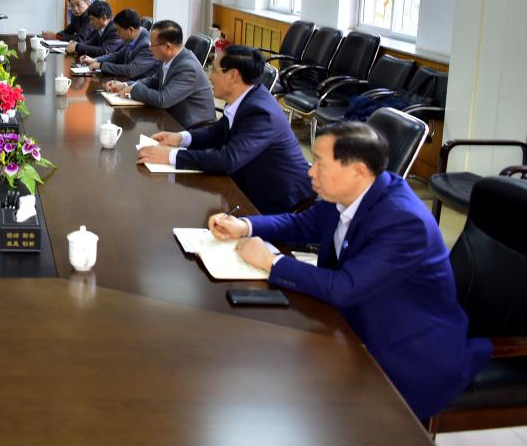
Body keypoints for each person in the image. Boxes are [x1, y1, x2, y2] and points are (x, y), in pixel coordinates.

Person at [209, 122, 492, 420]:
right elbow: (301, 223)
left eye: (320, 163)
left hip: (407, 352)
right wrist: (246, 226)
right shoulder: (351, 193)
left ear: (357, 170)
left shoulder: (404, 221)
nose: (310, 172)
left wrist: (272, 261)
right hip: (353, 323)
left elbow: (344, 287)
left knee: (301, 401)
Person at [136, 46, 314, 214]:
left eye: (215, 70)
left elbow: (228, 160)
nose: (210, 77)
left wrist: (170, 156)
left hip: (277, 201)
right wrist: (181, 138)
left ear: (233, 75)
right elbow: (217, 131)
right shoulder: (246, 97)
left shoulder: (261, 113)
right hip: (248, 184)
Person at [105, 20, 215, 129]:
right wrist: (125, 85)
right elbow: (153, 81)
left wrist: (133, 90)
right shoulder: (168, 57)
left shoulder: (188, 68)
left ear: (168, 47)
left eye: (152, 44)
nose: (149, 47)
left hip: (192, 128)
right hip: (170, 117)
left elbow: (162, 100)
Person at [81, 8, 157, 79]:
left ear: (131, 30)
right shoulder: (132, 38)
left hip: (140, 84)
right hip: (127, 81)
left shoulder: (147, 45)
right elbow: (117, 56)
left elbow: (131, 70)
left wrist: (101, 65)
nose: (116, 33)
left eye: (119, 31)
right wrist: (95, 60)